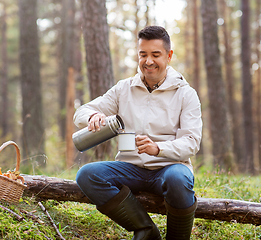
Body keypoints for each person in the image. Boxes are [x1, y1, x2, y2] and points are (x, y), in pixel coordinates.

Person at [74, 25, 202, 240]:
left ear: (169, 56)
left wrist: (158, 148)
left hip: (169, 168)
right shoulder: (124, 88)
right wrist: (92, 117)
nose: (148, 61)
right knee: (87, 174)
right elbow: (81, 112)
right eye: (143, 54)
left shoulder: (186, 94)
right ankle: (146, 231)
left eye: (155, 54)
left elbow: (191, 143)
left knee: (178, 179)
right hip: (130, 168)